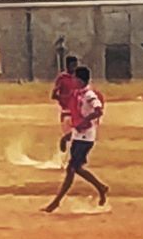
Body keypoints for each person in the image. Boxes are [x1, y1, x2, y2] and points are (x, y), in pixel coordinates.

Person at [44, 66, 108, 213]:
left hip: (86, 137)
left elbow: (98, 111)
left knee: (73, 168)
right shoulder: (78, 94)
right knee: (72, 169)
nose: (72, 81)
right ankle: (57, 202)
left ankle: (100, 187)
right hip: (79, 135)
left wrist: (86, 120)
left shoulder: (89, 95)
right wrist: (68, 136)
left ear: (80, 80)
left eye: (75, 79)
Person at [51, 55, 80, 164]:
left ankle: (68, 160)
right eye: (73, 65)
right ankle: (64, 143)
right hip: (66, 112)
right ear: (68, 65)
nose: (75, 67)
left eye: (76, 65)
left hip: (77, 111)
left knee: (77, 136)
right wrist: (62, 99)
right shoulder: (62, 78)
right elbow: (53, 94)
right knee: (72, 136)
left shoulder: (78, 78)